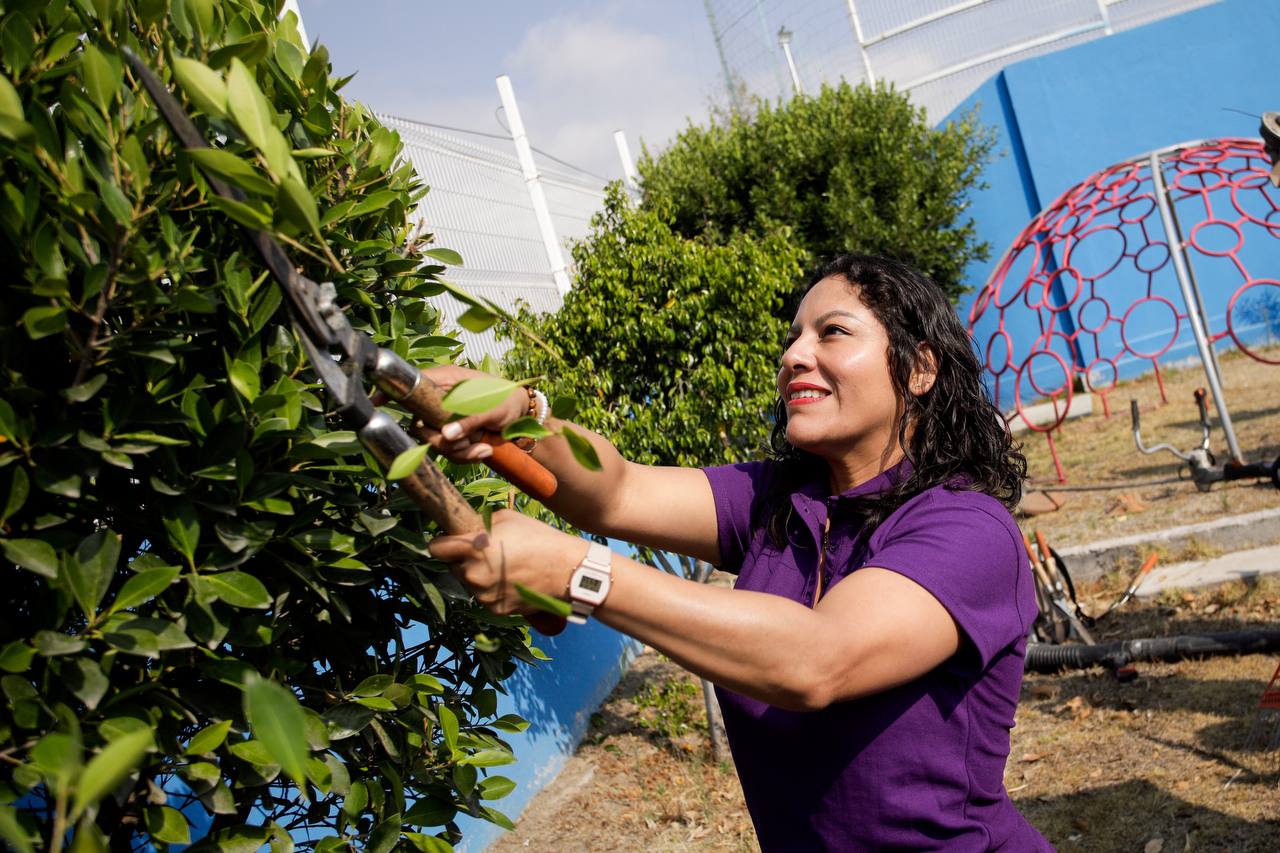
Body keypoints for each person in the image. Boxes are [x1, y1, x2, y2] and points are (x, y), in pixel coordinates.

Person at [426, 254, 1053, 851]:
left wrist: (580, 573)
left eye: (833, 332)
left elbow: (818, 660)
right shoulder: (778, 500)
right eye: (793, 337)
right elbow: (616, 493)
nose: (793, 355)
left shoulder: (968, 528)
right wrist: (519, 414)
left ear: (921, 369)